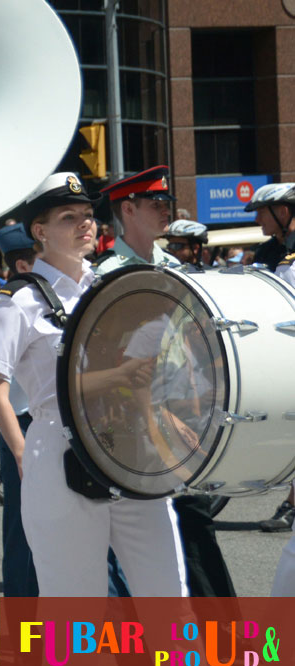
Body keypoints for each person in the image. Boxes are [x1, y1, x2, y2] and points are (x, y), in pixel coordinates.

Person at [0, 172, 209, 666]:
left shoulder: (114, 285)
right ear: (39, 231)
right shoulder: (20, 303)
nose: (85, 223)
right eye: (68, 217)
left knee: (171, 607)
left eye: (86, 214)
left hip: (131, 454)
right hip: (60, 461)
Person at [97, 169, 234, 599]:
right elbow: (106, 354)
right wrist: (151, 414)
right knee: (156, 533)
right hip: (136, 417)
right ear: (128, 209)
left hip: (184, 407)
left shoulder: (175, 268)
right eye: (154, 202)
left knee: (185, 524)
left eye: (165, 201)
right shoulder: (108, 274)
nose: (165, 209)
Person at [0, 222, 40, 598]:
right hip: (21, 425)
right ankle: (24, 645)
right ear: (24, 266)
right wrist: (19, 447)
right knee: (23, 534)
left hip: (55, 422)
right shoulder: (8, 301)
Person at [245, 183, 295, 533]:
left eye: (264, 211)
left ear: (284, 211)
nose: (259, 218)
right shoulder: (266, 252)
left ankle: (290, 505)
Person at [95, 165, 177, 274]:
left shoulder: (172, 263)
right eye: (156, 205)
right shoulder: (106, 270)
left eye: (166, 205)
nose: (167, 211)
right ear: (128, 209)